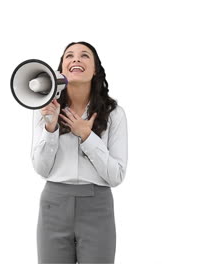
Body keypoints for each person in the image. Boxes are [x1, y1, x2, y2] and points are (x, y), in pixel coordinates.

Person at [31, 41, 128, 264]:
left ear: (95, 70)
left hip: (97, 206)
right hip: (54, 204)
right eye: (69, 56)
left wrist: (87, 136)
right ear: (61, 70)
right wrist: (51, 127)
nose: (76, 59)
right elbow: (41, 168)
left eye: (84, 56)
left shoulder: (114, 114)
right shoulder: (45, 108)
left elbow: (117, 175)